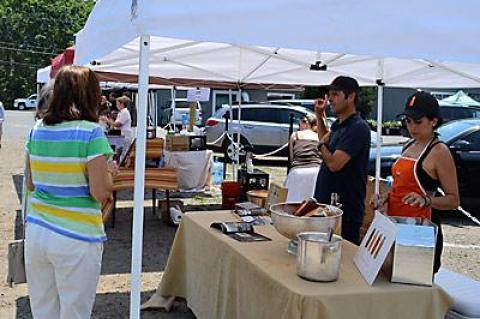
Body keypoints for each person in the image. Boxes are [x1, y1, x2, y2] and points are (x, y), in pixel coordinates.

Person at [24, 65, 115, 319]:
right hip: (76, 236)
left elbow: (31, 184)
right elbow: (100, 192)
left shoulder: (37, 129)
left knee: (43, 311)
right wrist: (110, 173)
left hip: (38, 231)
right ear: (90, 94)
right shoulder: (90, 132)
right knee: (75, 312)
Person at [374, 91, 459, 273]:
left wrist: (427, 200)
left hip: (420, 233)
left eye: (418, 122)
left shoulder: (439, 151)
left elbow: (453, 200)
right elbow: (399, 187)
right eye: (408, 121)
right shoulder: (409, 145)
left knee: (413, 286)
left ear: (434, 121)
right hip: (396, 225)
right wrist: (386, 197)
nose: (412, 127)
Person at [314, 76, 371, 245]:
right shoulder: (340, 125)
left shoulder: (357, 128)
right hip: (327, 209)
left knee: (341, 261)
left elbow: (334, 164)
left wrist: (320, 146)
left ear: (351, 97)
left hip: (345, 212)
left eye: (335, 94)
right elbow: (326, 140)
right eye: (329, 94)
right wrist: (319, 115)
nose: (330, 99)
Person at [285, 114, 322, 202]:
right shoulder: (319, 136)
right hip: (316, 171)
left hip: (298, 171)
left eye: (299, 124)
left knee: (292, 204)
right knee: (312, 205)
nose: (299, 127)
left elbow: (291, 157)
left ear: (306, 123)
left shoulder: (296, 135)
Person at [100, 95, 133, 161]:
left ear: (122, 104)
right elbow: (115, 124)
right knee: (118, 153)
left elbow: (118, 124)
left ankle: (122, 167)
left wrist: (106, 120)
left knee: (123, 153)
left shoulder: (125, 112)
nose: (116, 105)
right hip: (121, 136)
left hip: (125, 136)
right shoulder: (121, 112)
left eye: (117, 104)